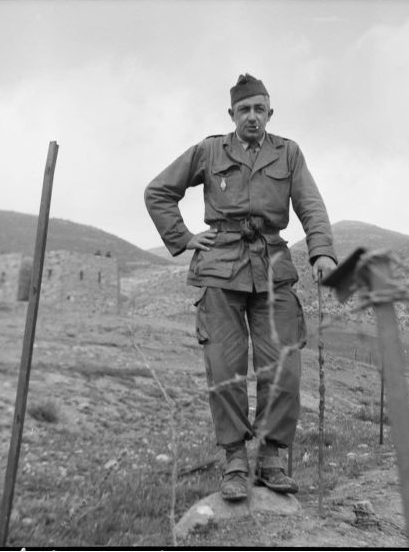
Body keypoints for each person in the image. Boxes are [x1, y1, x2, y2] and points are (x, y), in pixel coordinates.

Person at [144, 74, 336, 501]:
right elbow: (158, 191)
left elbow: (310, 204)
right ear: (231, 114)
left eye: (259, 109)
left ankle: (270, 459)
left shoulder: (289, 153)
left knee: (284, 367)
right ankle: (234, 460)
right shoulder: (209, 150)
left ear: (270, 112)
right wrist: (184, 238)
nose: (252, 116)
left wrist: (322, 251)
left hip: (273, 267)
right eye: (244, 109)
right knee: (224, 367)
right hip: (220, 266)